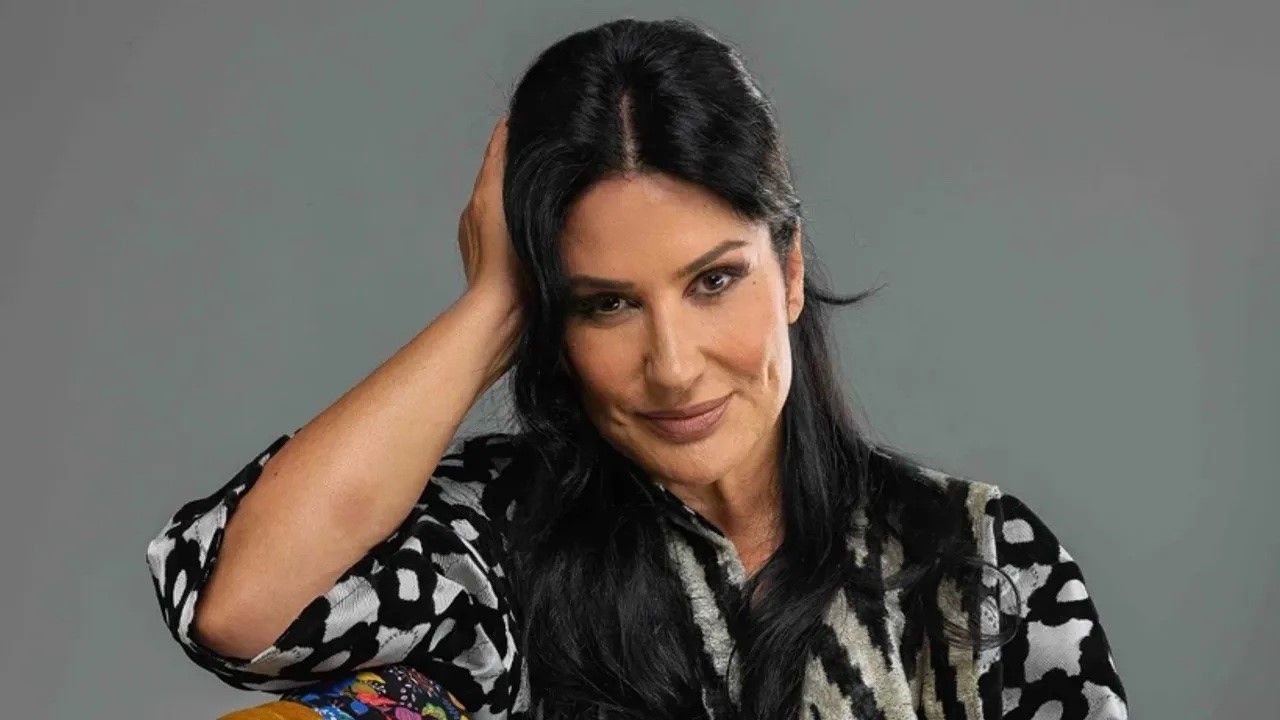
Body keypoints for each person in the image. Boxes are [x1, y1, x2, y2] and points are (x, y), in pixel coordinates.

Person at [145, 17, 1129, 720]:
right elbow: (238, 610)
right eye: (605, 304)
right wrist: (491, 307)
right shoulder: (500, 552)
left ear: (789, 272)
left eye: (713, 281)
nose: (671, 367)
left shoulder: (977, 558)